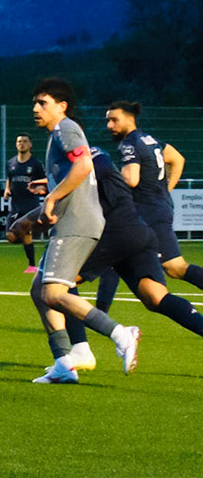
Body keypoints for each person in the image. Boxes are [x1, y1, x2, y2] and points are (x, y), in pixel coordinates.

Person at [42, 150, 203, 382]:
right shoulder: (72, 167)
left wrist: (58, 189)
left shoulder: (94, 157)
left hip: (114, 233)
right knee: (155, 295)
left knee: (58, 281)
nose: (109, 124)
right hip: (136, 232)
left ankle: (81, 349)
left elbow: (94, 169)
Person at [25, 78, 139, 384]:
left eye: (42, 103)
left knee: (53, 292)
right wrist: (50, 186)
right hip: (70, 222)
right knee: (39, 291)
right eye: (35, 103)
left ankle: (121, 334)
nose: (35, 108)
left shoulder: (66, 128)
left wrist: (52, 196)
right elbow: (75, 172)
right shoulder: (55, 135)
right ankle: (64, 361)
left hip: (77, 223)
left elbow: (85, 165)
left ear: (61, 106)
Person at [92, 101, 201, 314]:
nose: (109, 125)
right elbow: (178, 159)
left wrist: (105, 180)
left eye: (114, 120)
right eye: (107, 120)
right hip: (157, 208)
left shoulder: (129, 144)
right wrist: (165, 190)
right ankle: (101, 315)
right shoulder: (150, 140)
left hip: (146, 212)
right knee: (116, 259)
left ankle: (99, 316)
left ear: (130, 119)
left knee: (175, 267)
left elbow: (131, 179)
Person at [2, 132, 47, 275]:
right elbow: (9, 178)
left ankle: (32, 265)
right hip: (15, 206)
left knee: (26, 233)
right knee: (10, 236)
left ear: (30, 145)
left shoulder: (35, 164)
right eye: (19, 141)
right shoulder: (11, 163)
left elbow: (45, 180)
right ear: (16, 144)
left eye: (25, 141)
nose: (21, 143)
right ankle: (29, 243)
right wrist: (7, 189)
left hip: (30, 205)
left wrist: (41, 188)